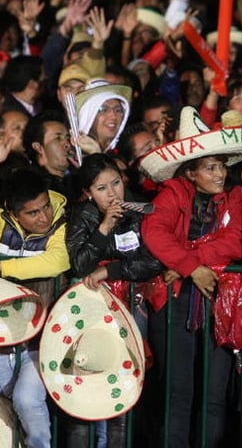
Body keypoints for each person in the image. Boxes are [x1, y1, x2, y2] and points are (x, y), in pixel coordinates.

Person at [139, 106, 242, 448]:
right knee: (178, 393)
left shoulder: (233, 196)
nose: (220, 173)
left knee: (214, 395)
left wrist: (188, 262)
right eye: (210, 167)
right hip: (174, 304)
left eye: (221, 165)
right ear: (190, 173)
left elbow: (235, 241)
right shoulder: (172, 194)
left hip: (217, 305)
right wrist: (195, 268)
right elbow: (155, 232)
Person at [0, 131, 70, 448]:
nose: (43, 216)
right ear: (13, 212)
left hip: (41, 338)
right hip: (2, 335)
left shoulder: (61, 223)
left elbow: (56, 261)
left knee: (27, 400)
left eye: (45, 207)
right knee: (1, 406)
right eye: (33, 213)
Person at [64, 153, 165, 448]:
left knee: (124, 380)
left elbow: (154, 260)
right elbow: (79, 265)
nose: (112, 193)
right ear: (87, 193)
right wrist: (104, 226)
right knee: (87, 383)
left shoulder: (140, 210)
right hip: (92, 308)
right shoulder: (83, 215)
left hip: (133, 306)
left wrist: (112, 269)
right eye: (101, 188)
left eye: (116, 183)